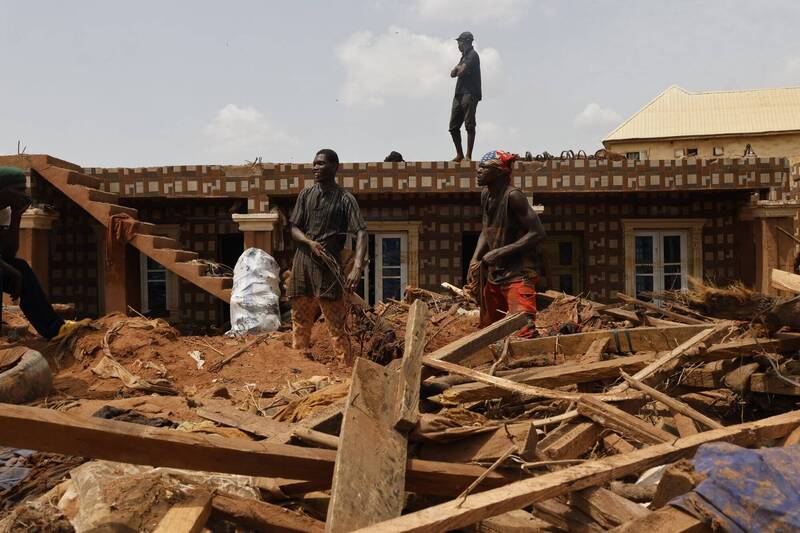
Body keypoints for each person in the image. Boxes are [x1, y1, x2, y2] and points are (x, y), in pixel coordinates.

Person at [288, 149, 367, 362]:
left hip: (328, 265)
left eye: (321, 163)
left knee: (336, 325)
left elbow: (361, 231)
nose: (315, 167)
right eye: (314, 163)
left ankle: (345, 372)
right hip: (303, 262)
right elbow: (294, 227)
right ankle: (300, 368)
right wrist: (308, 242)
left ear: (335, 167)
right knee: (300, 320)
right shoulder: (306, 195)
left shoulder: (345, 198)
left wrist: (357, 267)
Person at [468, 150, 546, 337]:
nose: (478, 171)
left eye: (484, 168)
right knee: (488, 331)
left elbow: (538, 233)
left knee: (524, 330)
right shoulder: (486, 195)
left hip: (518, 274)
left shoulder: (513, 196)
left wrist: (500, 252)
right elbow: (486, 230)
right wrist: (475, 259)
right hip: (496, 275)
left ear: (499, 172)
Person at [0, 167, 80, 340]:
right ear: (4, 190)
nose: (24, 195)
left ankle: (54, 328)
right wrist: (14, 274)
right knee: (14, 270)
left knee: (20, 266)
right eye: (19, 190)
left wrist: (16, 215)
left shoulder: (4, 211)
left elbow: (8, 252)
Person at [449, 31, 481, 162]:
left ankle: (468, 155)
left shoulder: (473, 55)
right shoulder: (463, 57)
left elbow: (460, 72)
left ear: (467, 42)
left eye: (460, 42)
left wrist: (459, 68)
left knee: (469, 125)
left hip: (470, 93)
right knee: (453, 127)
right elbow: (452, 73)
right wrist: (459, 67)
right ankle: (460, 154)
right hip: (459, 93)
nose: (459, 45)